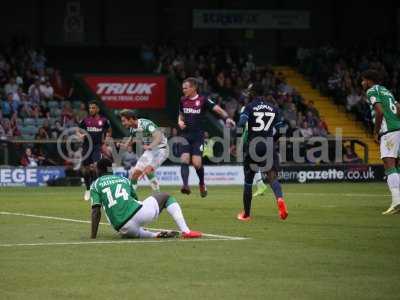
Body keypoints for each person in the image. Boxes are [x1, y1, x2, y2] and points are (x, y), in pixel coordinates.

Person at [90, 158, 202, 239]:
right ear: (111, 169)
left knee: (132, 230)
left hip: (122, 227)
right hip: (138, 213)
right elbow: (135, 199)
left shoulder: (95, 184)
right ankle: (186, 231)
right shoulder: (123, 180)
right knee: (167, 197)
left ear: (99, 170)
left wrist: (93, 236)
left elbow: (96, 211)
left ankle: (153, 235)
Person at [237, 82, 288, 221]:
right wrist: (273, 139)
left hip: (254, 144)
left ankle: (246, 214)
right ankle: (280, 200)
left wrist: (238, 137)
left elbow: (241, 124)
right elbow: (282, 130)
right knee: (272, 178)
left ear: (253, 93)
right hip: (268, 144)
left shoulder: (249, 107)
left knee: (248, 181)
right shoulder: (273, 108)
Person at [178, 77, 235, 197]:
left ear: (194, 88)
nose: (184, 90)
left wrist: (227, 118)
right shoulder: (183, 100)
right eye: (183, 88)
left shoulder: (203, 100)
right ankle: (185, 185)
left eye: (186, 88)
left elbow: (218, 110)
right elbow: (181, 114)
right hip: (185, 135)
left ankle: (202, 183)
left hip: (198, 136)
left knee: (197, 164)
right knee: (184, 159)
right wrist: (180, 121)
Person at [361, 69, 400, 214]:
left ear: (369, 80)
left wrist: (376, 131)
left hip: (388, 130)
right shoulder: (387, 91)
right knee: (397, 164)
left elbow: (379, 111)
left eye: (363, 80)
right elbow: (398, 108)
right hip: (397, 128)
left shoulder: (372, 91)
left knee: (389, 163)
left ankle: (397, 202)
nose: (362, 83)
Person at [119, 109, 168, 193]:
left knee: (148, 170)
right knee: (135, 173)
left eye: (124, 121)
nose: (123, 124)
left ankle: (158, 195)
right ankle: (131, 197)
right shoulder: (132, 128)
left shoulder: (146, 124)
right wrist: (125, 145)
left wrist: (150, 146)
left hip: (161, 149)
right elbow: (131, 138)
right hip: (150, 150)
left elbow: (159, 137)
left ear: (130, 119)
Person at [77, 101, 110, 201]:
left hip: (97, 147)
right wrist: (80, 135)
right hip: (87, 146)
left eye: (93, 108)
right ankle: (88, 189)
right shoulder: (85, 120)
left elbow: (109, 130)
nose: (91, 110)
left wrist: (107, 139)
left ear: (98, 109)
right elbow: (78, 130)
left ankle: (96, 189)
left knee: (96, 166)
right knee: (86, 170)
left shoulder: (104, 121)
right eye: (90, 108)